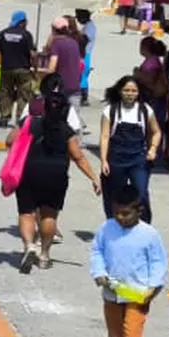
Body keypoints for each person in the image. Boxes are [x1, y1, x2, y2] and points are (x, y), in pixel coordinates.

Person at [12, 73, 101, 273]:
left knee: (26, 212)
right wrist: (94, 178)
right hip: (57, 175)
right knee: (49, 216)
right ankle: (44, 255)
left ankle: (28, 246)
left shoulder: (30, 121)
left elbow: (10, 141)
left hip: (30, 171)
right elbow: (78, 157)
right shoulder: (66, 129)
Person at [89, 193, 167, 337]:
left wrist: (154, 286)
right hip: (112, 291)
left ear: (139, 211)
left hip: (137, 293)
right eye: (117, 213)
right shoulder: (107, 228)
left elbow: (158, 262)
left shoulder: (149, 235)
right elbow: (97, 252)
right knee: (116, 335)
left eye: (126, 213)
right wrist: (99, 272)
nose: (121, 218)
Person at [99, 75, 161, 224]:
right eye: (127, 90)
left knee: (141, 192)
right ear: (120, 91)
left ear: (138, 92)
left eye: (134, 90)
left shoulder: (145, 110)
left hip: (138, 159)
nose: (130, 94)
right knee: (115, 195)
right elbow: (105, 136)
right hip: (116, 159)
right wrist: (103, 160)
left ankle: (144, 224)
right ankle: (114, 223)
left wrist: (152, 149)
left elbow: (156, 132)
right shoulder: (110, 111)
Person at [0, 12, 38, 128]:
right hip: (23, 70)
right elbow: (32, 54)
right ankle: (20, 120)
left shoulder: (3, 33)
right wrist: (35, 67)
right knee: (24, 94)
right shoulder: (26, 35)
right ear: (22, 22)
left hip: (7, 69)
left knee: (6, 93)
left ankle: (4, 117)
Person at [44, 16, 84, 119]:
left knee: (57, 117)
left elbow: (52, 66)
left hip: (61, 87)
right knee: (74, 119)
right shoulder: (74, 42)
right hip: (75, 86)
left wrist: (45, 79)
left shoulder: (57, 43)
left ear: (53, 29)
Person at [136, 36, 169, 129]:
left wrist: (138, 73)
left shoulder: (151, 61)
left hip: (152, 97)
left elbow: (150, 78)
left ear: (146, 48)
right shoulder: (152, 60)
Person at [76, 9, 98, 104]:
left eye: (78, 16)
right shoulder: (86, 26)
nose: (77, 19)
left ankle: (84, 97)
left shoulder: (90, 27)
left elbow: (84, 40)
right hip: (82, 54)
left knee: (83, 75)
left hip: (85, 54)